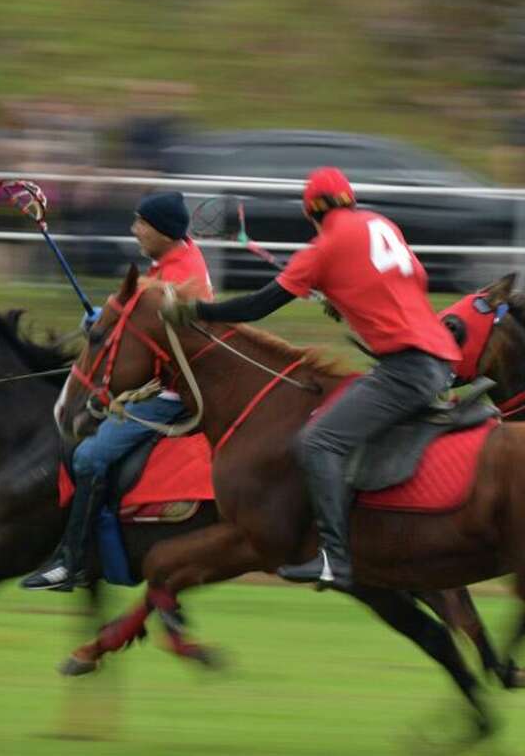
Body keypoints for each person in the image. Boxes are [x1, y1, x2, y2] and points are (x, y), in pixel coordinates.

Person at [161, 167, 460, 592]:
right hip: (442, 361)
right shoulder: (382, 224)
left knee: (318, 440)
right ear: (349, 200)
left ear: (312, 213)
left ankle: (334, 560)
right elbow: (411, 282)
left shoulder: (323, 248)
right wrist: (347, 295)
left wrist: (198, 312)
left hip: (406, 370)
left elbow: (257, 307)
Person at [22, 191, 211, 591]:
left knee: (89, 457)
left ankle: (72, 562)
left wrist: (108, 323)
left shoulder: (176, 278)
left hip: (168, 396)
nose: (135, 230)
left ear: (163, 230)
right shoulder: (176, 260)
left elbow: (146, 334)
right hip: (159, 384)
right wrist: (107, 320)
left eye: (142, 223)